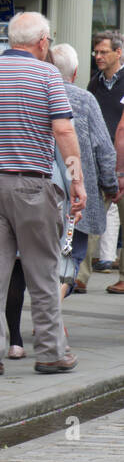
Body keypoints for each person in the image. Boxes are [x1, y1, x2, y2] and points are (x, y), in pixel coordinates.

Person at [0, 12, 86, 378]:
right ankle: (50, 353)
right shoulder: (46, 75)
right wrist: (77, 181)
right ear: (43, 41)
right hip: (32, 183)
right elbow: (62, 129)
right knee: (42, 271)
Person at [3, 44, 116, 358]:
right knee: (70, 260)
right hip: (73, 198)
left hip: (26, 192)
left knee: (20, 264)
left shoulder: (25, 95)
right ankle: (48, 321)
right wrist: (109, 185)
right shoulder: (84, 99)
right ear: (75, 74)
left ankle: (16, 338)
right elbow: (104, 149)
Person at [85, 31, 124, 289]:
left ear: (118, 52)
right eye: (95, 52)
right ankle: (78, 275)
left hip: (122, 163)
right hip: (97, 161)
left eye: (103, 52)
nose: (98, 57)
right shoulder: (94, 84)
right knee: (87, 217)